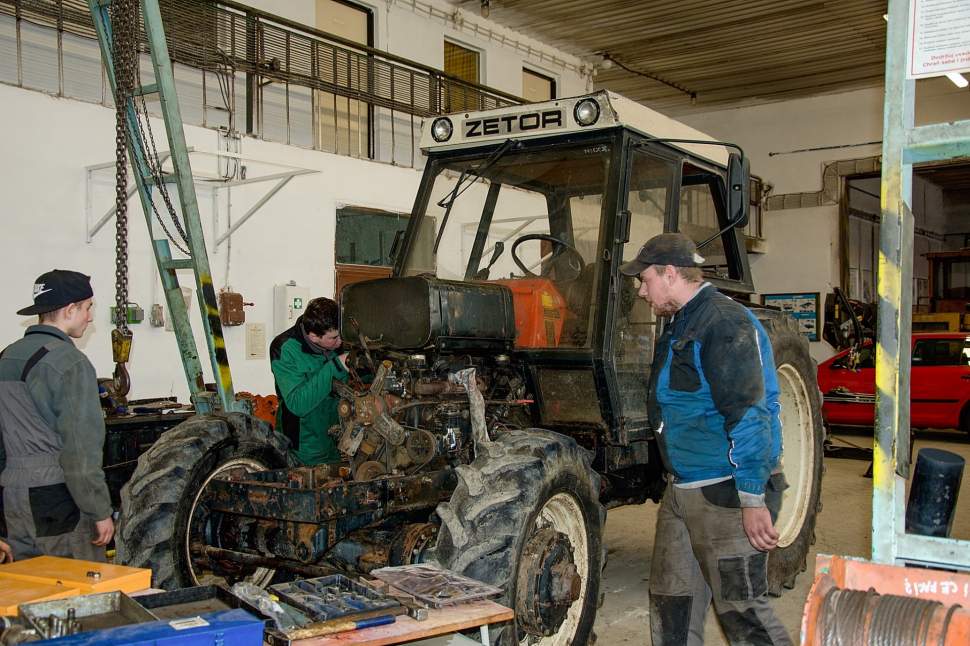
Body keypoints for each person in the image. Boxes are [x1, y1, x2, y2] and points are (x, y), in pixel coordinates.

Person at [620, 233, 790, 646]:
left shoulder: (723, 322)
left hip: (726, 493)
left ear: (671, 273)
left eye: (645, 280)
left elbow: (749, 413)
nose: (641, 291)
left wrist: (752, 498)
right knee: (670, 610)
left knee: (743, 613)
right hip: (681, 492)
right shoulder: (683, 321)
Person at [0, 270, 114, 562]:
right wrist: (99, 511)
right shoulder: (69, 362)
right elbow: (80, 451)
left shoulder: (6, 357)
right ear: (69, 310)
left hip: (13, 496)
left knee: (28, 593)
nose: (90, 318)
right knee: (79, 592)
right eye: (88, 308)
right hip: (58, 498)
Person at [270, 297, 349, 465]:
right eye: (333, 338)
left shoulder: (337, 342)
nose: (340, 341)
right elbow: (298, 403)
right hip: (303, 449)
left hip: (336, 443)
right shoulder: (284, 349)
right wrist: (337, 365)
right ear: (313, 337)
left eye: (340, 335)